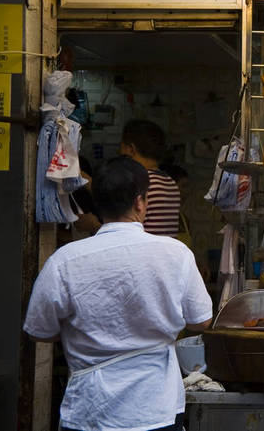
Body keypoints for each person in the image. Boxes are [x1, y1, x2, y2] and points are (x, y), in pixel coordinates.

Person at [23, 156, 213, 431]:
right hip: (155, 410)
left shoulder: (64, 260)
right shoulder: (175, 254)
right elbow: (201, 321)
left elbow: (38, 331)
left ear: (98, 204)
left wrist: (83, 331)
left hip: (89, 412)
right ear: (140, 202)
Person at [120, 119, 181, 236]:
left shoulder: (140, 181)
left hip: (144, 252)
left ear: (130, 149)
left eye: (121, 147)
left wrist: (93, 225)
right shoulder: (170, 182)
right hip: (164, 252)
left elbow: (125, 235)